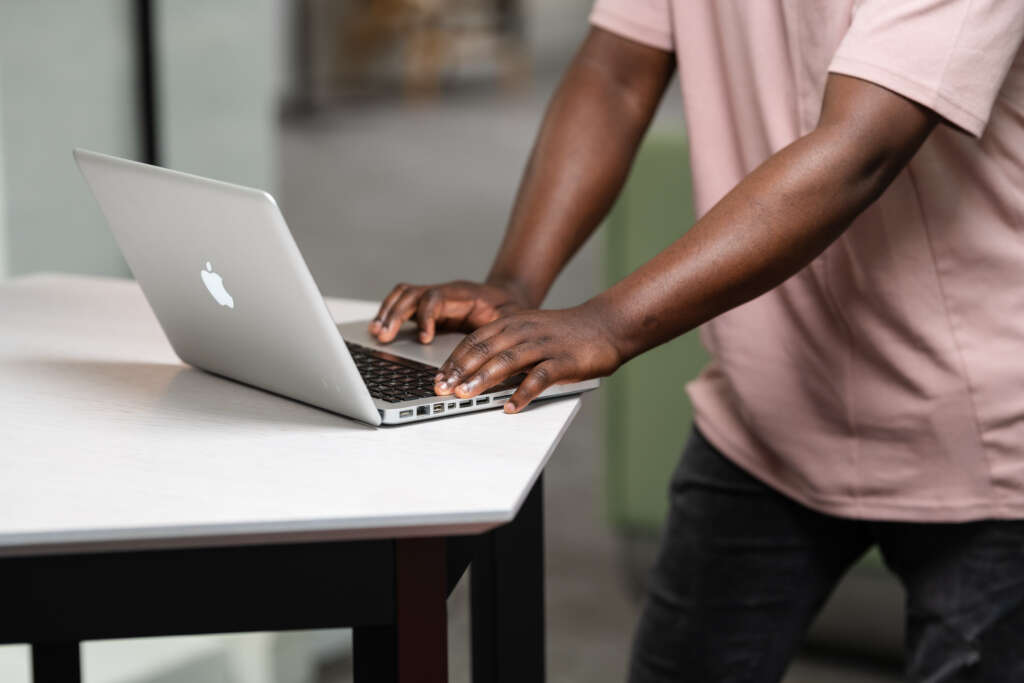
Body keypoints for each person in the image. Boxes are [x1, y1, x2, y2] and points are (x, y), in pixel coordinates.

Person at [369, 1, 1024, 680]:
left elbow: (862, 145)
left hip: (980, 421)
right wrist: (513, 280)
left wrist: (608, 322)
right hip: (770, 397)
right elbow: (617, 69)